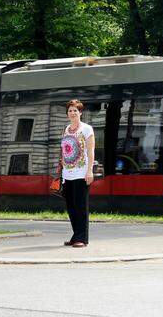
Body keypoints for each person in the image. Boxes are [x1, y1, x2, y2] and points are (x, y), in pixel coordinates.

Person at [58, 99, 95, 248]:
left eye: (75, 110)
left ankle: (82, 238)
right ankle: (75, 235)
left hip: (81, 173)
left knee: (81, 206)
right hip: (67, 174)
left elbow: (90, 150)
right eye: (70, 111)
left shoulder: (87, 129)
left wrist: (90, 171)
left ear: (80, 112)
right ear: (67, 114)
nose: (72, 113)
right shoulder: (66, 129)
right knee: (71, 206)